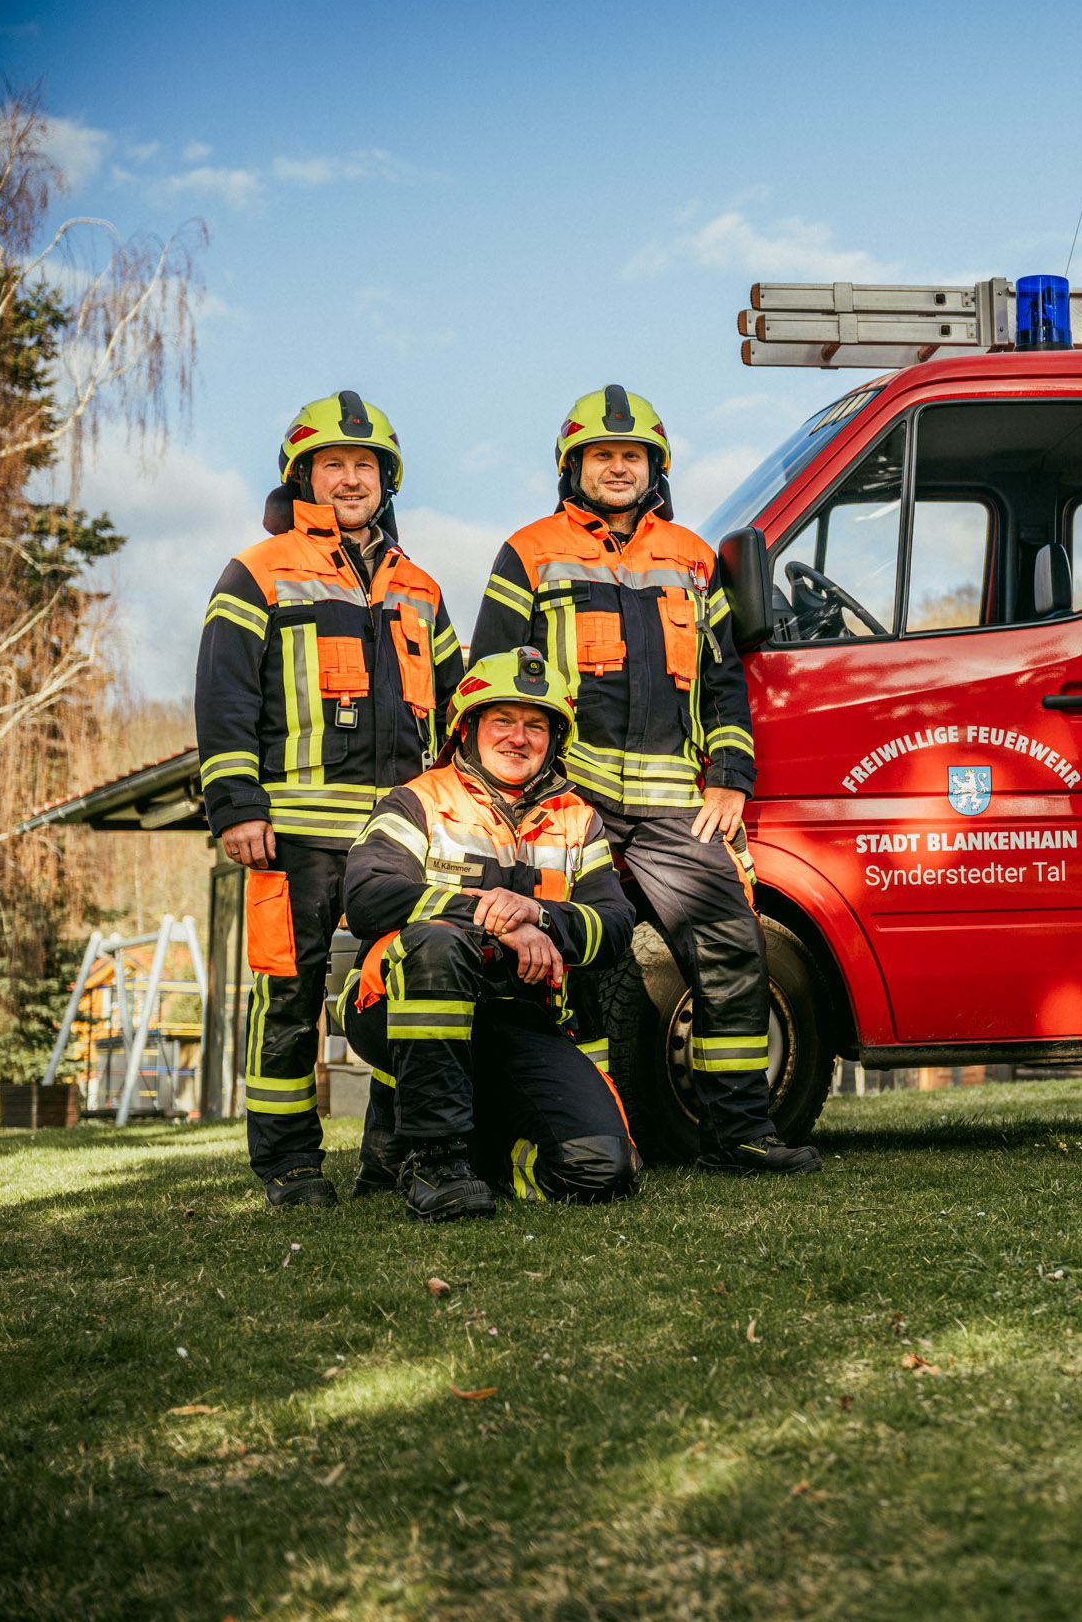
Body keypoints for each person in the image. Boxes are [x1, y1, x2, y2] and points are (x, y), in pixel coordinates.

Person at [470, 385, 813, 1176]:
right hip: (568, 799)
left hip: (673, 806)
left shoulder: (692, 557)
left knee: (732, 945)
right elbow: (491, 679)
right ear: (574, 467)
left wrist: (729, 777)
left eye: (632, 456)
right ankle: (585, 1138)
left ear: (654, 467)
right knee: (574, 964)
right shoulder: (527, 551)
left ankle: (741, 1133)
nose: (618, 468)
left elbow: (725, 682)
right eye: (602, 456)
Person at [195, 392, 463, 1208]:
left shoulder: (419, 587)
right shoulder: (259, 570)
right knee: (290, 993)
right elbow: (225, 695)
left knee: (406, 985)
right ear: (302, 475)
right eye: (334, 465)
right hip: (293, 834)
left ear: (388, 481)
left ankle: (394, 1151)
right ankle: (288, 1166)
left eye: (366, 466)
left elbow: (456, 708)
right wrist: (236, 805)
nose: (351, 479)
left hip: (399, 841)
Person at [339, 650, 639, 1220]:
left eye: (536, 725)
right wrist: (490, 916)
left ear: (555, 738)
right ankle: (436, 1162)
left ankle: (447, 1152)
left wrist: (541, 916)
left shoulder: (580, 819)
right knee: (438, 942)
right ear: (469, 727)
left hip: (520, 1018)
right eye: (502, 719)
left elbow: (615, 927)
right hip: (395, 1008)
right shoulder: (419, 800)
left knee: (603, 1169)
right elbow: (366, 896)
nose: (519, 737)